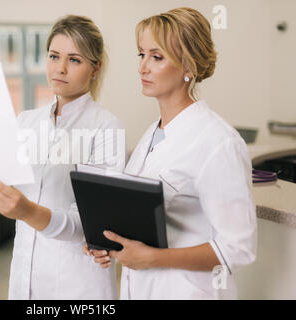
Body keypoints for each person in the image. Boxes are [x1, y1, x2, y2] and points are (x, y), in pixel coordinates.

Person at [0, 15, 126, 299]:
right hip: (25, 280)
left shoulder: (106, 126)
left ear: (96, 68)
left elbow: (94, 222)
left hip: (78, 283)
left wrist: (27, 212)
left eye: (74, 60)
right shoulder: (25, 122)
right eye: (54, 56)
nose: (60, 68)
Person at [89, 7, 257, 299]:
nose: (143, 67)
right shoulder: (152, 134)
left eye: (157, 57)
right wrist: (110, 242)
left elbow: (239, 249)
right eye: (141, 54)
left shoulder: (218, 142)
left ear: (189, 67)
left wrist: (153, 258)